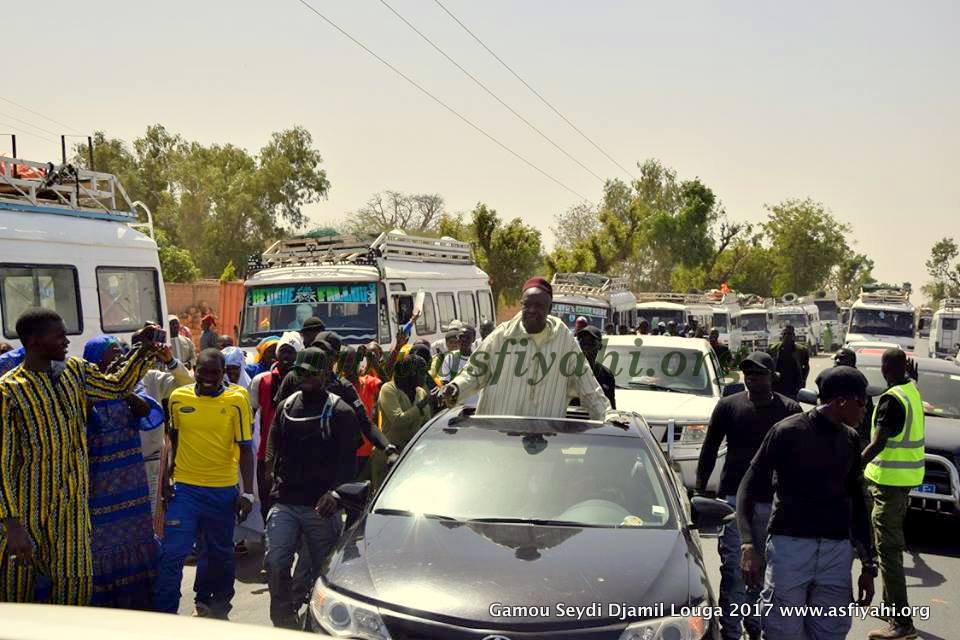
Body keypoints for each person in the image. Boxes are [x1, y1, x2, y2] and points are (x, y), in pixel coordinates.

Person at [0, 309, 158, 604]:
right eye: (58, 335)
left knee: (75, 595)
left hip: (72, 516)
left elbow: (116, 386)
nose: (66, 340)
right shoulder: (8, 391)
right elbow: (2, 463)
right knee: (13, 600)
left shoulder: (75, 371)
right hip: (24, 519)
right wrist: (11, 525)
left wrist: (143, 349)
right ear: (33, 342)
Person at [737, 366, 877, 640]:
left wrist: (868, 565)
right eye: (862, 402)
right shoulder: (787, 432)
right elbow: (748, 486)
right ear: (841, 402)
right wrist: (747, 544)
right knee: (782, 631)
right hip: (790, 551)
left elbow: (858, 502)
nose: (865, 410)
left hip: (836, 556)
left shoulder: (850, 440)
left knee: (830, 632)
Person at [695, 352, 801, 640]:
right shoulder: (728, 406)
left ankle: (756, 628)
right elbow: (709, 449)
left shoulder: (790, 409)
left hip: (774, 505)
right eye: (747, 372)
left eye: (758, 372)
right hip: (732, 503)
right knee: (733, 572)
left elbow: (800, 459)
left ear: (772, 376)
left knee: (765, 574)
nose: (752, 376)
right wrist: (699, 492)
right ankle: (730, 632)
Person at [154, 349, 256, 618]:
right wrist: (166, 479)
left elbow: (246, 448)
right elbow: (172, 441)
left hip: (222, 490)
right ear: (194, 369)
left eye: (215, 372)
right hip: (185, 490)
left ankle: (216, 604)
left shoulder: (237, 399)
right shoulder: (178, 398)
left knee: (219, 553)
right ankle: (164, 614)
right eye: (203, 371)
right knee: (172, 553)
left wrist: (247, 492)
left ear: (224, 373)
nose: (209, 377)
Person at [263, 348, 360, 628]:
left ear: (326, 373)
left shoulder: (341, 412)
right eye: (300, 371)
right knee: (276, 562)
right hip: (286, 502)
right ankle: (283, 621)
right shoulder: (286, 407)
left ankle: (321, 624)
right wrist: (269, 474)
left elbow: (348, 466)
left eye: (311, 373)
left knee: (323, 573)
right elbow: (273, 444)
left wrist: (336, 493)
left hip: (321, 507)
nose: (304, 377)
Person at [441, 277, 612, 420]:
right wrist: (456, 387)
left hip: (543, 443)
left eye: (539, 306)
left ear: (550, 309)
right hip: (496, 442)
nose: (532, 310)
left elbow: (588, 387)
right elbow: (474, 374)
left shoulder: (564, 339)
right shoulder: (501, 336)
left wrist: (608, 416)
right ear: (521, 304)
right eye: (527, 305)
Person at [82, 336, 163, 609]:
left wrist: (121, 387)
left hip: (132, 483)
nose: (119, 357)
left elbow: (145, 411)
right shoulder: (84, 391)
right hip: (99, 485)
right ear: (95, 360)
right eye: (112, 353)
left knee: (137, 544)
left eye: (121, 352)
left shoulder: (132, 388)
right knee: (101, 548)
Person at [861, 348, 924, 640]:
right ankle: (889, 607)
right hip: (903, 481)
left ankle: (902, 623)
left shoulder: (891, 399)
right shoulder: (910, 389)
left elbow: (878, 443)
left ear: (885, 368)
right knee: (888, 546)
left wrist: (851, 465)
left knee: (888, 552)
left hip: (889, 484)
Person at [250, 332, 303, 525]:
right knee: (266, 498)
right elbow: (251, 414)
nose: (286, 357)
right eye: (283, 352)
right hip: (266, 452)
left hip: (295, 452)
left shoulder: (304, 381)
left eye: (291, 352)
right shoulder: (261, 381)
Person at [370, 355, 433, 491]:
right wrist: (419, 407)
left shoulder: (420, 392)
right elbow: (398, 420)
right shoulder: (388, 389)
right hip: (389, 454)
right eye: (422, 373)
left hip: (411, 455)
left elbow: (426, 423)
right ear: (411, 374)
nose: (425, 376)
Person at [816, 348, 875, 449]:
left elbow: (866, 420)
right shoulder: (826, 378)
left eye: (842, 358)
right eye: (836, 358)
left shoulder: (858, 381)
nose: (838, 361)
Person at [574, 325, 616, 409]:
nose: (586, 348)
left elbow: (612, 409)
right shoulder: (569, 373)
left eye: (591, 343)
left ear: (600, 346)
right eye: (582, 343)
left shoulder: (607, 375)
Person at [768, 324, 810, 400]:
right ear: (782, 336)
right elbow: (767, 365)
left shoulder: (801, 350)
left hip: (794, 387)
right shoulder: (773, 349)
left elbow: (806, 366)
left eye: (789, 334)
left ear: (794, 336)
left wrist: (803, 380)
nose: (787, 336)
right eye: (785, 334)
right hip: (777, 386)